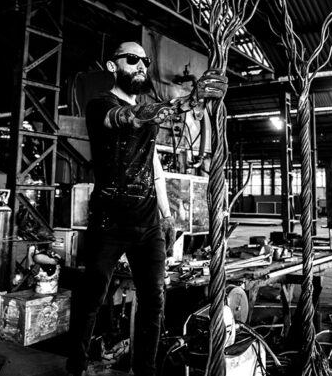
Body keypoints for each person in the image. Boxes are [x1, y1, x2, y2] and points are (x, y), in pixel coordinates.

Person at [66, 41, 227, 376]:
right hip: (109, 220)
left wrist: (167, 217)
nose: (141, 65)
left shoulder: (149, 111)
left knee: (154, 300)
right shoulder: (100, 106)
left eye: (145, 60)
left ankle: (145, 371)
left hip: (148, 221)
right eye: (132, 59)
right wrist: (187, 102)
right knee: (91, 298)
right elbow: (128, 119)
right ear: (113, 66)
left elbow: (153, 166)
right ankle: (76, 367)